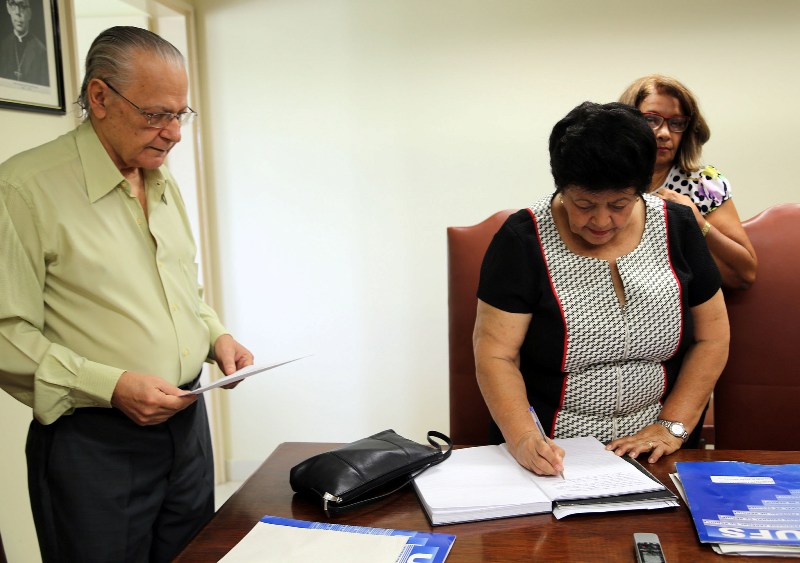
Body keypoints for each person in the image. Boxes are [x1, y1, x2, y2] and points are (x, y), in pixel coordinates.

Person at [0, 26, 253, 562]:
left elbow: (181, 287)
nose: (173, 133)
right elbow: (6, 334)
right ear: (99, 97)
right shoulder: (22, 189)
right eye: (156, 114)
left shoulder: (161, 179)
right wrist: (109, 387)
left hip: (188, 428)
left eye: (180, 115)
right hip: (94, 444)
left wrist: (215, 336)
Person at [473, 102, 729, 478]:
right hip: (554, 453)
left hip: (657, 449)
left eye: (619, 204)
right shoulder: (522, 239)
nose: (601, 220)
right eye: (584, 204)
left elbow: (713, 337)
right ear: (561, 188)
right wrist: (524, 438)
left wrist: (672, 427)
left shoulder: (677, 226)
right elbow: (496, 355)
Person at [619, 74, 756, 290]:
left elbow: (744, 274)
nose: (664, 133)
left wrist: (695, 222)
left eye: (676, 123)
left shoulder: (703, 184)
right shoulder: (604, 183)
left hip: (686, 303)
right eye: (651, 120)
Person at [0, 0, 48, 85]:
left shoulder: (41, 52)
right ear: (8, 9)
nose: (18, 12)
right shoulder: (3, 46)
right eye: (13, 5)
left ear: (30, 13)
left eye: (22, 6)